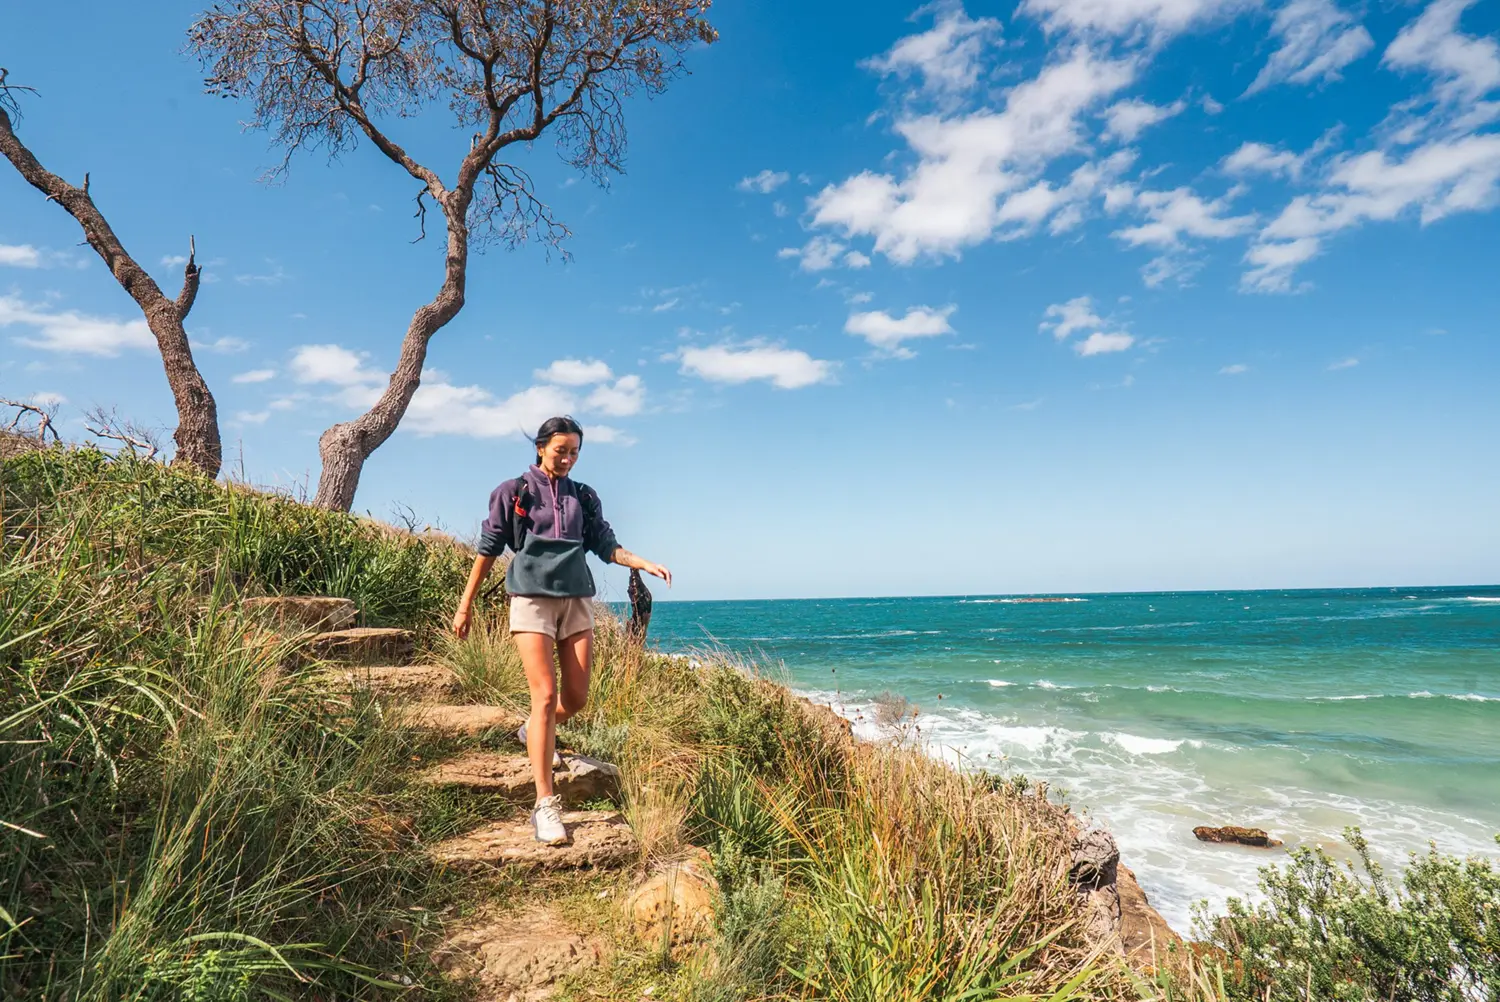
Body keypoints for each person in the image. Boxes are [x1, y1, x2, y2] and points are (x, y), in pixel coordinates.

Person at [451, 416, 671, 846]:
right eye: (560, 451)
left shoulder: (584, 497)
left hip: (576, 602)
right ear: (540, 448)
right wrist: (465, 605)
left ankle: (534, 730)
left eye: (574, 452)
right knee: (545, 696)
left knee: (576, 699)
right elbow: (488, 549)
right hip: (530, 600)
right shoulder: (513, 491)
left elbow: (605, 544)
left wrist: (641, 562)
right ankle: (546, 804)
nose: (567, 459)